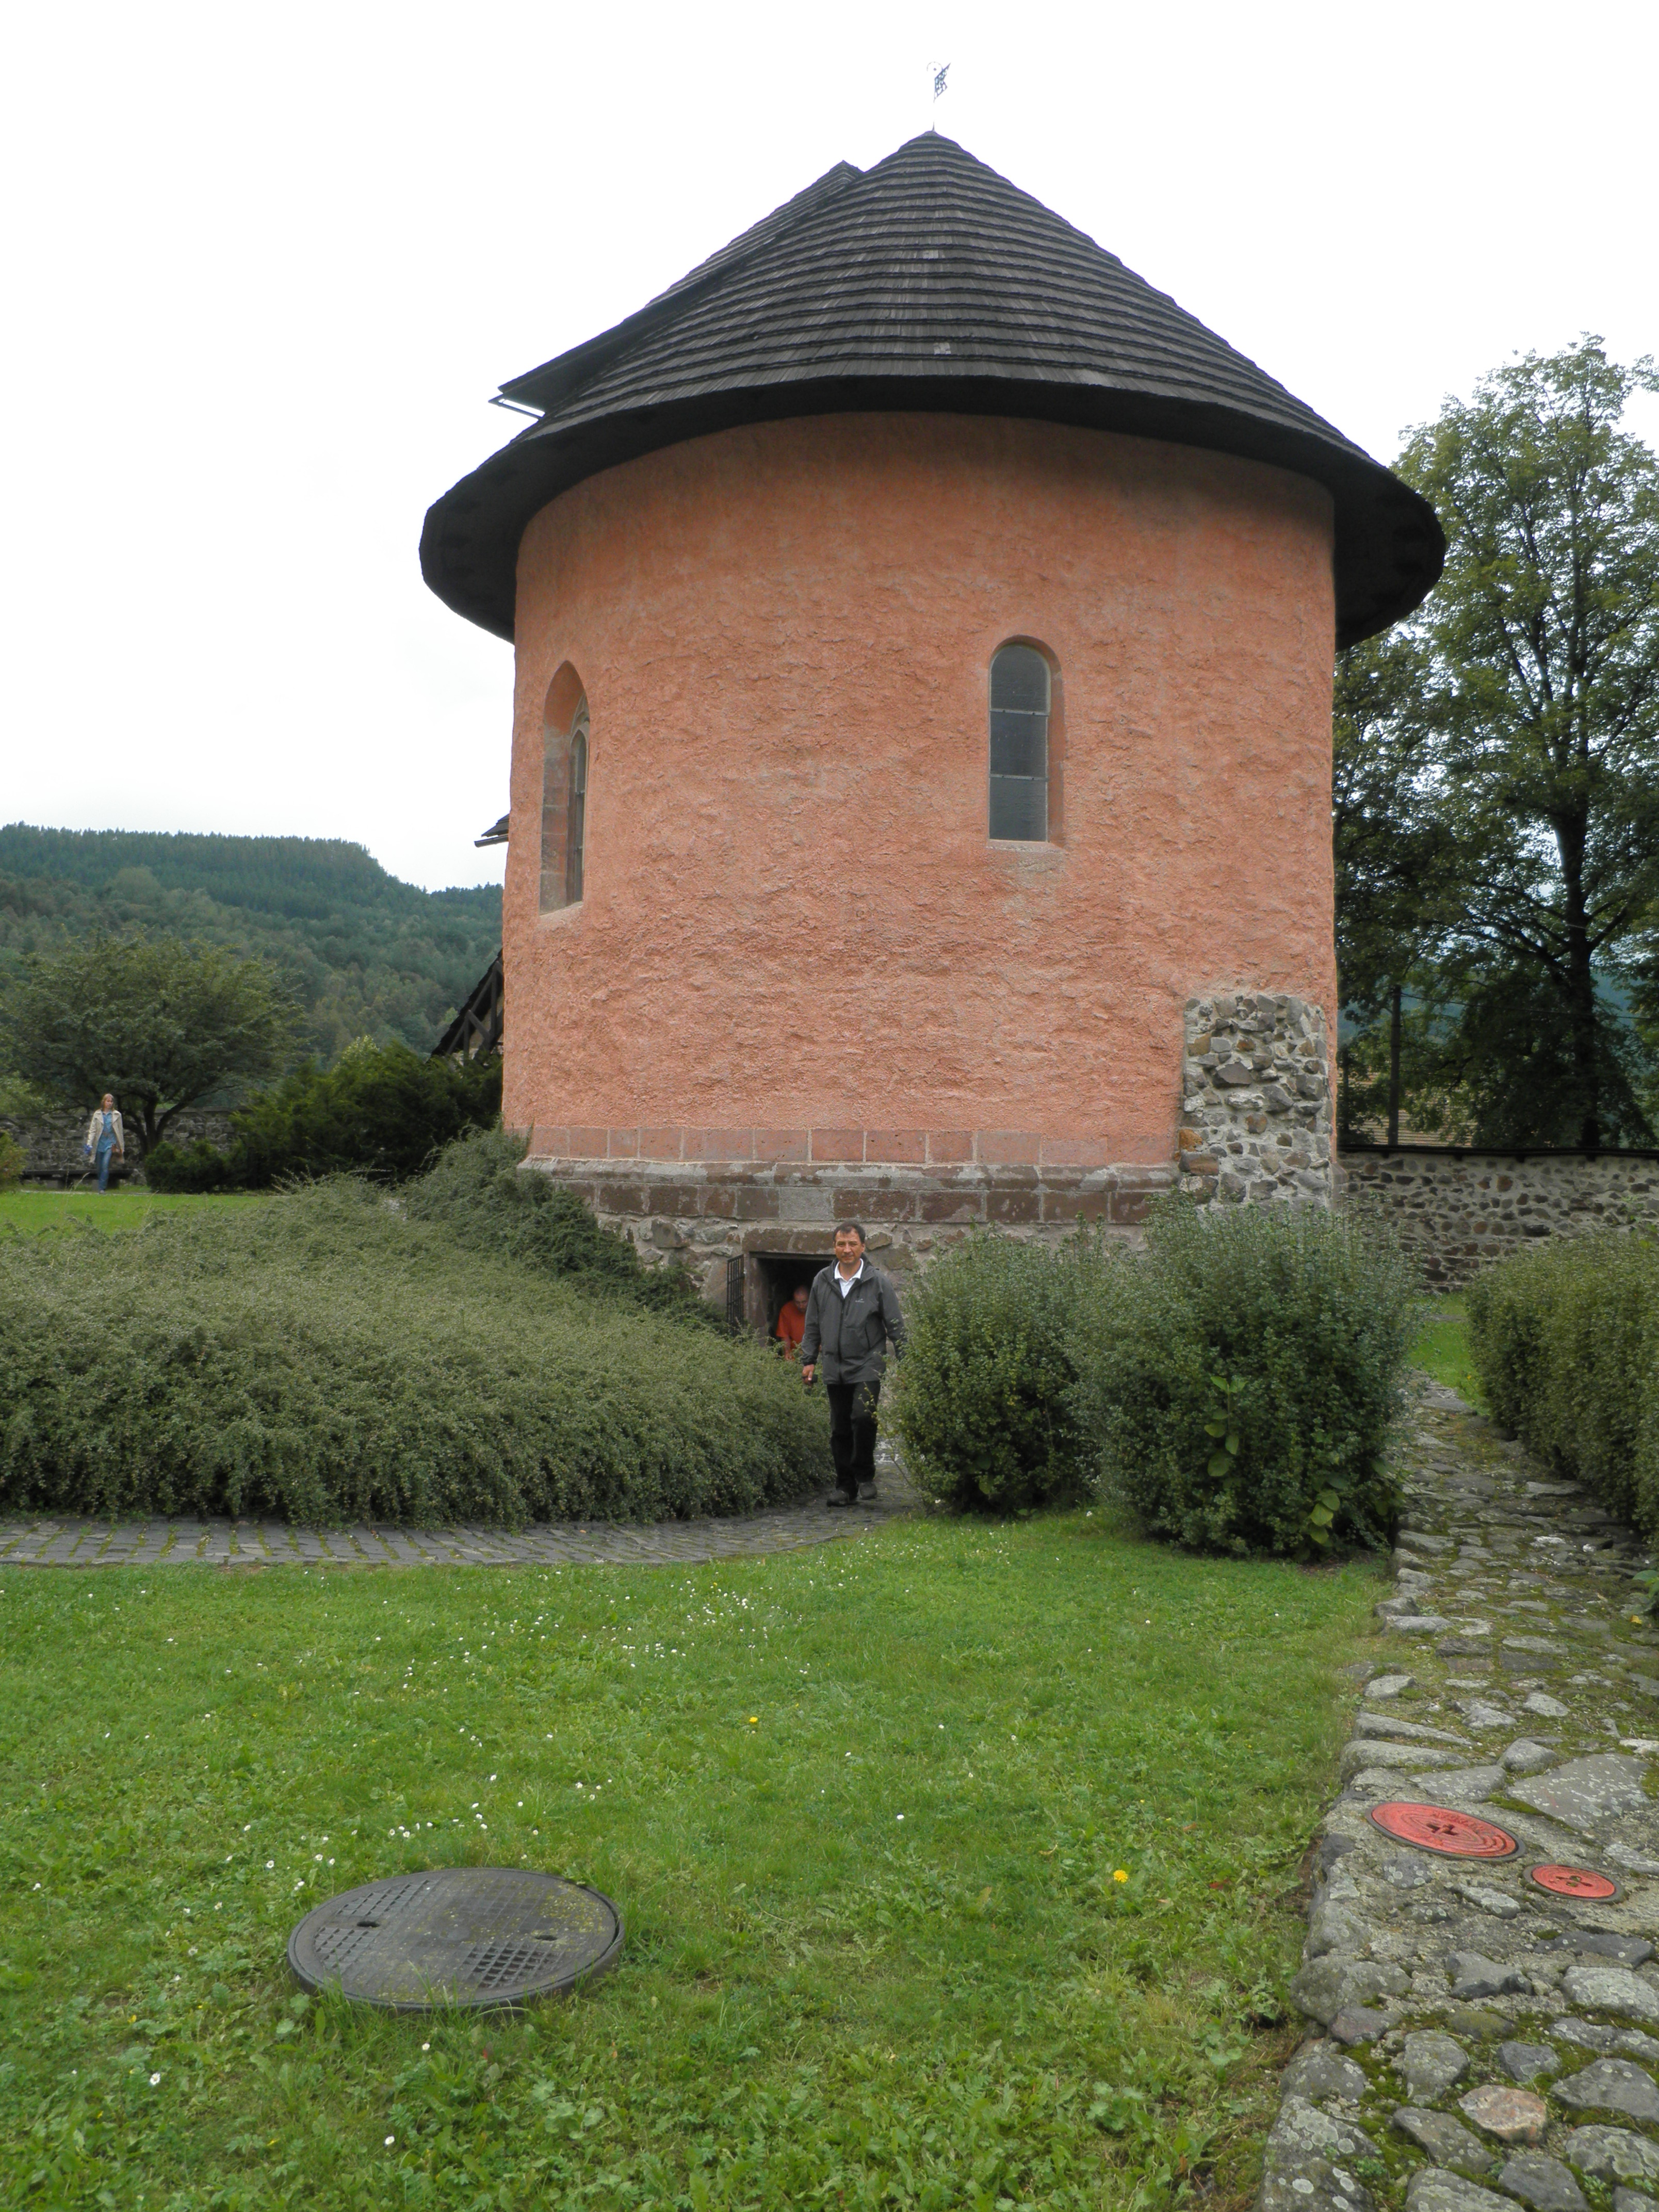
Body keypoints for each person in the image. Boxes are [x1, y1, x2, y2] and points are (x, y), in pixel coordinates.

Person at [799, 1222, 906, 1508]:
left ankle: (864, 1474)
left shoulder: (877, 1282)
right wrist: (809, 1360)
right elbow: (812, 1324)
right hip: (834, 1364)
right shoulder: (823, 1280)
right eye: (841, 1244)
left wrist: (907, 1363)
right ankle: (845, 1487)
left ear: (863, 1246)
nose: (847, 1250)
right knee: (840, 1428)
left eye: (852, 1244)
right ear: (834, 1247)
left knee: (862, 1416)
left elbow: (895, 1325)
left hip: (868, 1361)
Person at [83, 1093, 125, 1193]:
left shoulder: (117, 1115)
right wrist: (89, 1144)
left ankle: (102, 1188)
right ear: (104, 1102)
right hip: (99, 1144)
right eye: (108, 1101)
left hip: (111, 1144)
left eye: (111, 1102)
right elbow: (93, 1130)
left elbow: (120, 1131)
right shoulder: (97, 1114)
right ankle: (101, 1185)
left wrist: (121, 1147)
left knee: (105, 1165)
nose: (110, 1103)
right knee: (100, 1167)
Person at [775, 1282, 809, 1359]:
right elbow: (784, 1335)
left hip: (814, 1351)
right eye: (797, 1303)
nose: (801, 1306)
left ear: (810, 1299)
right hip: (795, 1352)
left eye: (804, 1302)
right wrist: (787, 1352)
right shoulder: (787, 1310)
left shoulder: (817, 1309)